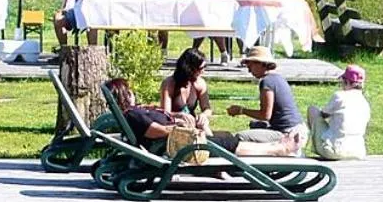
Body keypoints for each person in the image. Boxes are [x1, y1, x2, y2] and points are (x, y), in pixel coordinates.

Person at [103, 78, 298, 157]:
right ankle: (278, 149)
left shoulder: (135, 112)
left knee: (225, 138)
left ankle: (276, 147)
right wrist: (183, 127)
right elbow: (157, 131)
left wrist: (176, 117)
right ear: (124, 95)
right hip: (176, 145)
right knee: (226, 141)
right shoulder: (134, 114)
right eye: (128, 91)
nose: (132, 93)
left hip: (179, 141)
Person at [224, 45, 303, 145]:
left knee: (240, 137)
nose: (249, 71)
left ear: (261, 64)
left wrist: (241, 110)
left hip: (287, 133)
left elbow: (265, 115)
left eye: (250, 66)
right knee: (255, 125)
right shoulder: (278, 78)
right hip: (297, 130)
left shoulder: (267, 82)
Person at [309, 64, 370, 161]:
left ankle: (315, 147)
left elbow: (323, 114)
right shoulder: (365, 103)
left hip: (335, 151)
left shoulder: (339, 96)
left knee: (312, 110)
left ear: (346, 82)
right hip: (358, 152)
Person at [159, 49, 211, 118]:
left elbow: (207, 108)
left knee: (204, 125)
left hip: (191, 122)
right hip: (173, 123)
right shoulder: (169, 84)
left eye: (205, 67)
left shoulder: (199, 83)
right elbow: (165, 113)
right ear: (190, 68)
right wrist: (180, 115)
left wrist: (203, 115)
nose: (203, 71)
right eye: (201, 68)